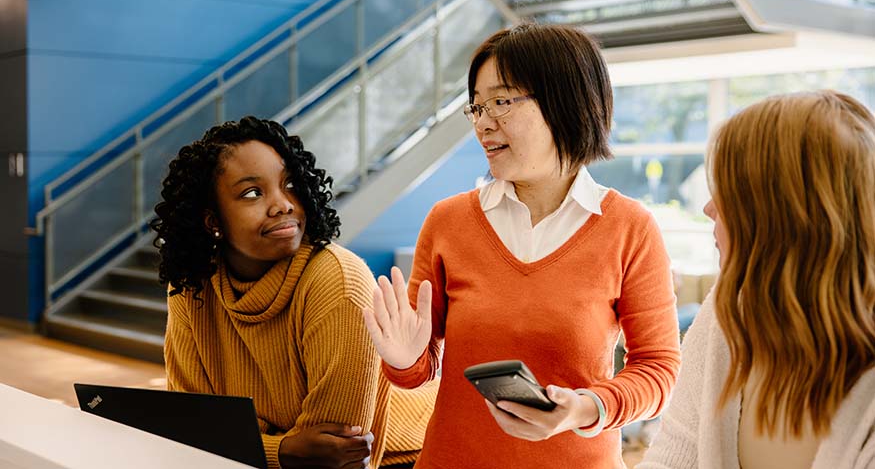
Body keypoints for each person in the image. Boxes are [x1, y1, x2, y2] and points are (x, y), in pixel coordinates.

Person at [363, 23, 682, 468]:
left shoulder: (630, 228)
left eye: (501, 101)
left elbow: (658, 370)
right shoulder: (447, 222)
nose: (483, 123)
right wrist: (402, 358)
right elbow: (419, 370)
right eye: (476, 107)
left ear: (566, 100)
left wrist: (585, 407)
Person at [150, 116, 435, 469]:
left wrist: (243, 437)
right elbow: (192, 429)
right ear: (212, 221)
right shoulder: (191, 288)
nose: (283, 204)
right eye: (252, 193)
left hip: (410, 454)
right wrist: (283, 449)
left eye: (289, 185)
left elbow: (333, 457)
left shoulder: (338, 282)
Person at [639, 91, 875, 469]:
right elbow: (670, 459)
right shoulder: (725, 313)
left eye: (730, 192)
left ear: (782, 214)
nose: (709, 207)